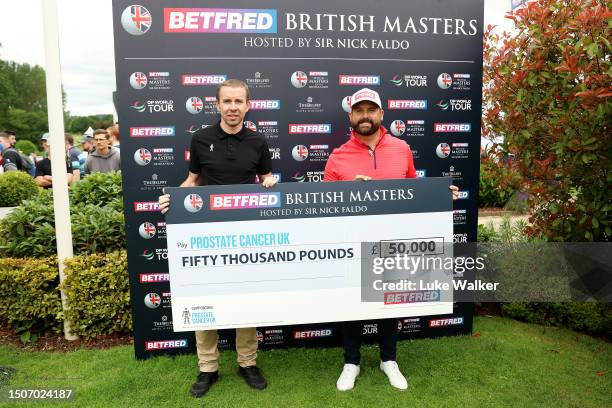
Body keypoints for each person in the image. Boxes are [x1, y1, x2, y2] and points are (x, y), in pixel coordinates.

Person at [324, 88, 459, 392]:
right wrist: (350, 196)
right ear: (351, 116)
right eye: (359, 110)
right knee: (351, 304)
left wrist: (438, 196)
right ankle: (351, 362)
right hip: (352, 243)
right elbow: (325, 205)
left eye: (371, 110)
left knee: (391, 301)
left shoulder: (402, 148)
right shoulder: (337, 156)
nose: (365, 116)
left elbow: (412, 190)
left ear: (381, 114)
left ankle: (389, 360)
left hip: (393, 242)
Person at [158, 79, 277, 398]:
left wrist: (270, 180)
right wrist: (173, 198)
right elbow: (192, 180)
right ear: (217, 105)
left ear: (248, 105)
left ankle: (247, 363)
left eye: (239, 102)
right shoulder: (201, 139)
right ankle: (208, 367)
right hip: (206, 234)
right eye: (227, 102)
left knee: (246, 298)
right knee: (205, 299)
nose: (233, 107)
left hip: (246, 233)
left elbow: (265, 177)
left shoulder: (258, 141)